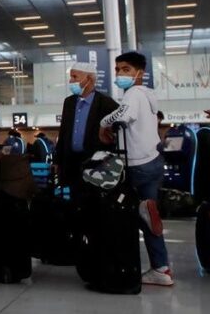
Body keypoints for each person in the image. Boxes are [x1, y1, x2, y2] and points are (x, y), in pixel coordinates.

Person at [99, 52, 172, 287]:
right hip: (153, 160)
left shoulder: (133, 94)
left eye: (126, 69)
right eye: (118, 69)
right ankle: (160, 267)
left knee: (128, 215)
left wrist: (103, 123)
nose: (120, 74)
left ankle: (126, 265)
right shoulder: (149, 95)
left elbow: (123, 114)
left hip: (137, 164)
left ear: (139, 73)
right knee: (150, 216)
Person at [54, 62, 119, 199]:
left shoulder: (106, 104)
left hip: (95, 164)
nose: (71, 81)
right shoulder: (69, 103)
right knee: (73, 201)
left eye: (74, 77)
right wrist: (58, 161)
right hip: (71, 163)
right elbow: (63, 132)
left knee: (93, 201)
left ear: (89, 79)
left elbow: (114, 135)